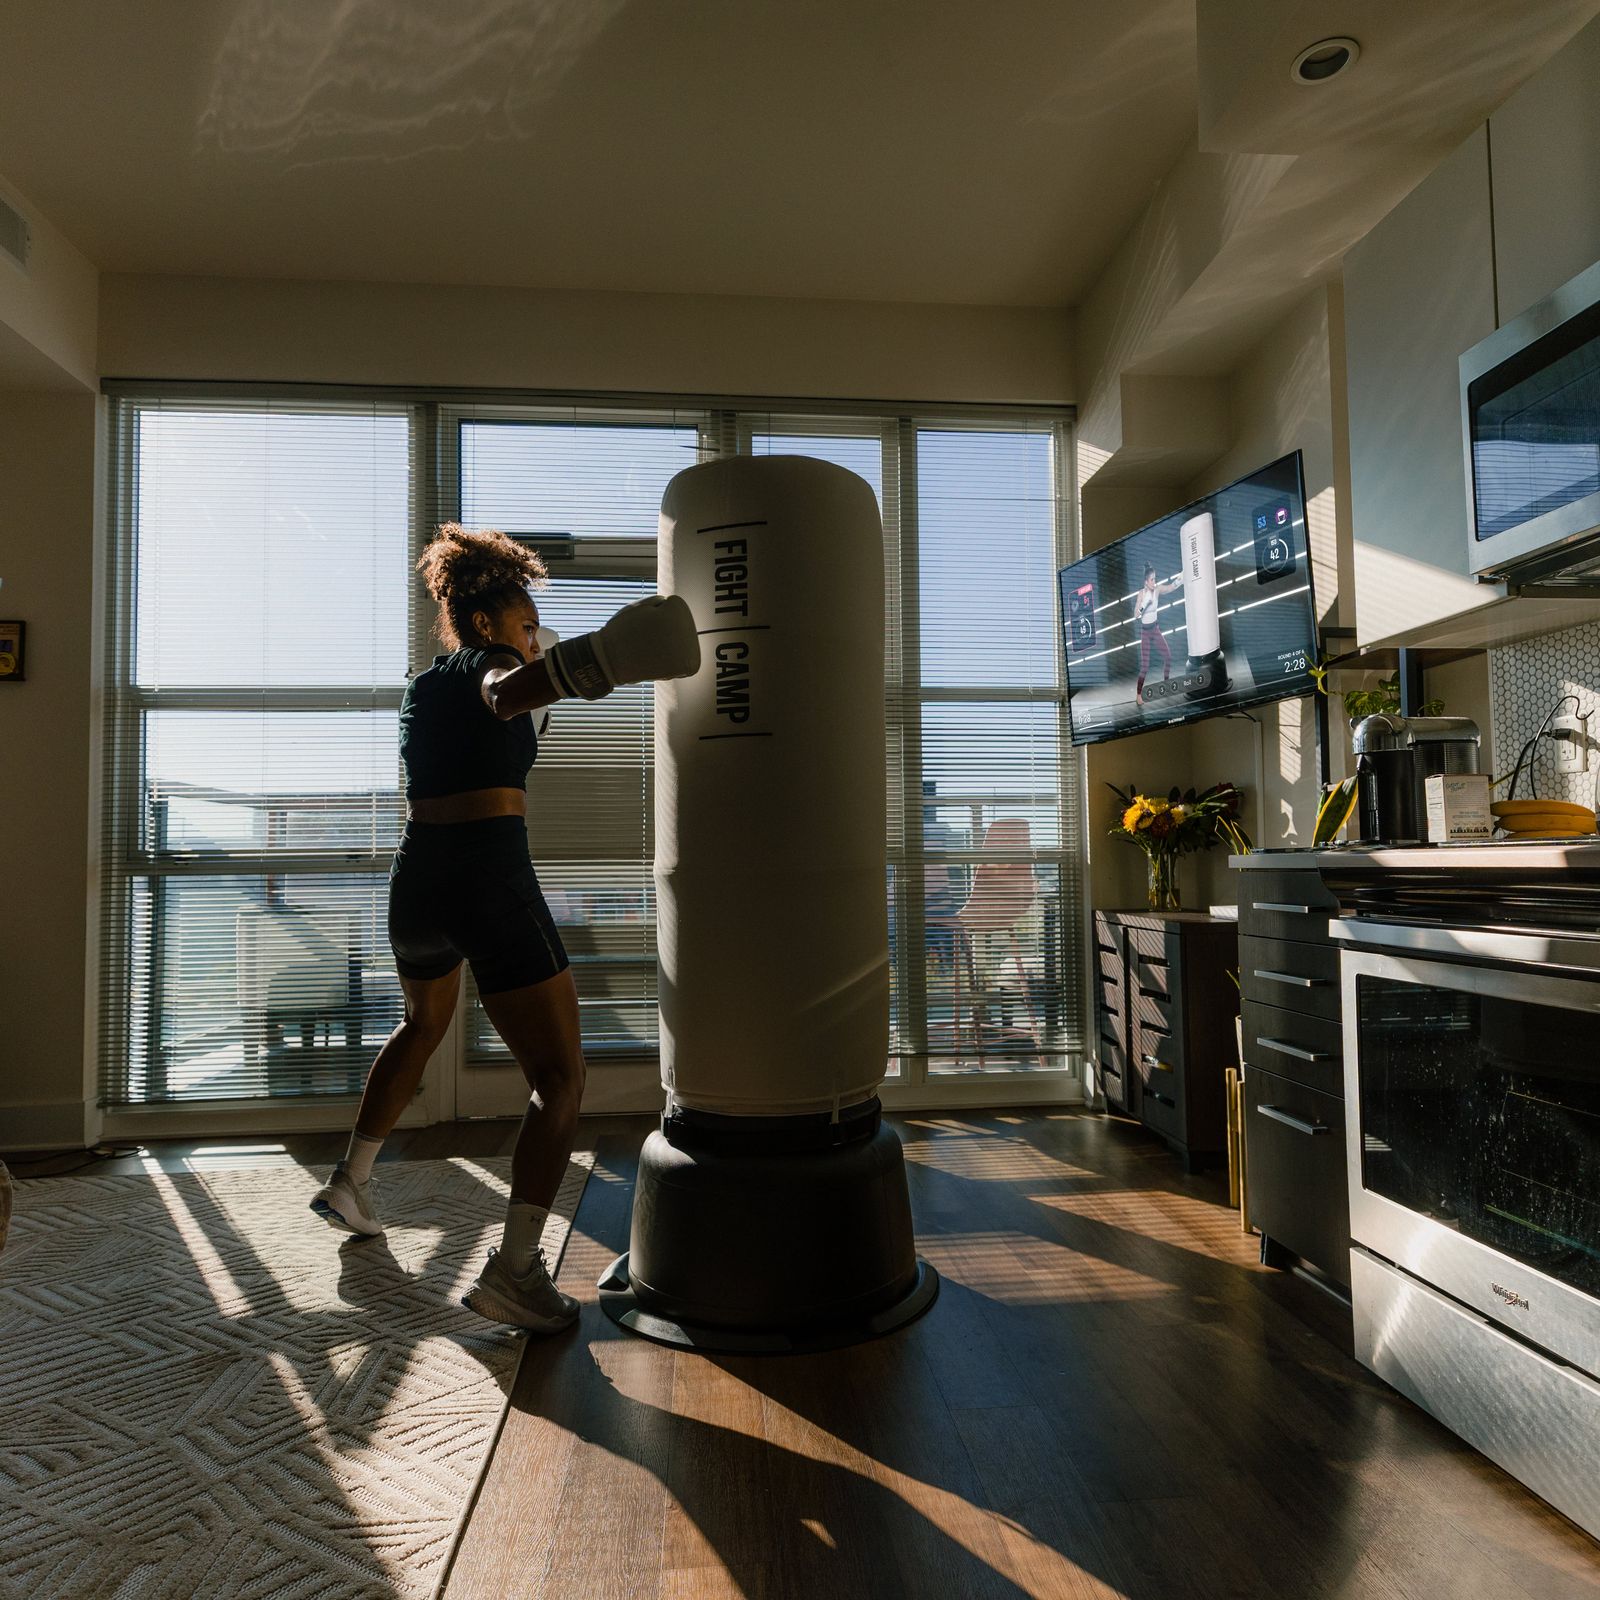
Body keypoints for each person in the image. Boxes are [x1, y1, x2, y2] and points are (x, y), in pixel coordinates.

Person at [310, 523, 699, 1333]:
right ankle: (517, 1273)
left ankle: (351, 1178)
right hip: (485, 877)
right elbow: (501, 693)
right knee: (560, 1079)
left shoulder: (424, 685)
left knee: (421, 1024)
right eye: (525, 624)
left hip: (416, 884)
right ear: (486, 623)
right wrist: (597, 663)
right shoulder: (487, 667)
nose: (532, 638)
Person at [1132, 563, 1180, 700]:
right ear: (1146, 582)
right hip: (1145, 633)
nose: (1155, 582)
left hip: (1155, 629)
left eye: (1155, 578)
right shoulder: (1141, 594)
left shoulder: (1157, 589)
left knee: (1168, 657)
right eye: (1152, 579)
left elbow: (1171, 587)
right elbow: (1136, 615)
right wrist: (1143, 605)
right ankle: (1138, 694)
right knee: (1145, 666)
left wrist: (1180, 578)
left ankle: (1166, 684)